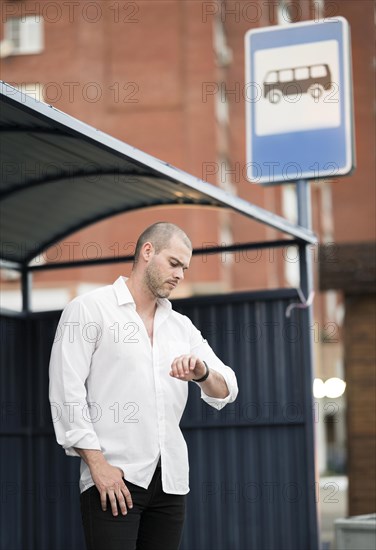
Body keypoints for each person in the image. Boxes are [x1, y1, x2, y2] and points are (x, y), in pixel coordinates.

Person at [49, 222, 238, 550]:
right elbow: (66, 392)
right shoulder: (89, 309)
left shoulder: (181, 327)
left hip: (170, 482)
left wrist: (202, 372)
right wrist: (98, 465)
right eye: (174, 263)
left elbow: (227, 389)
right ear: (147, 252)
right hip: (114, 479)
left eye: (185, 268)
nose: (180, 275)